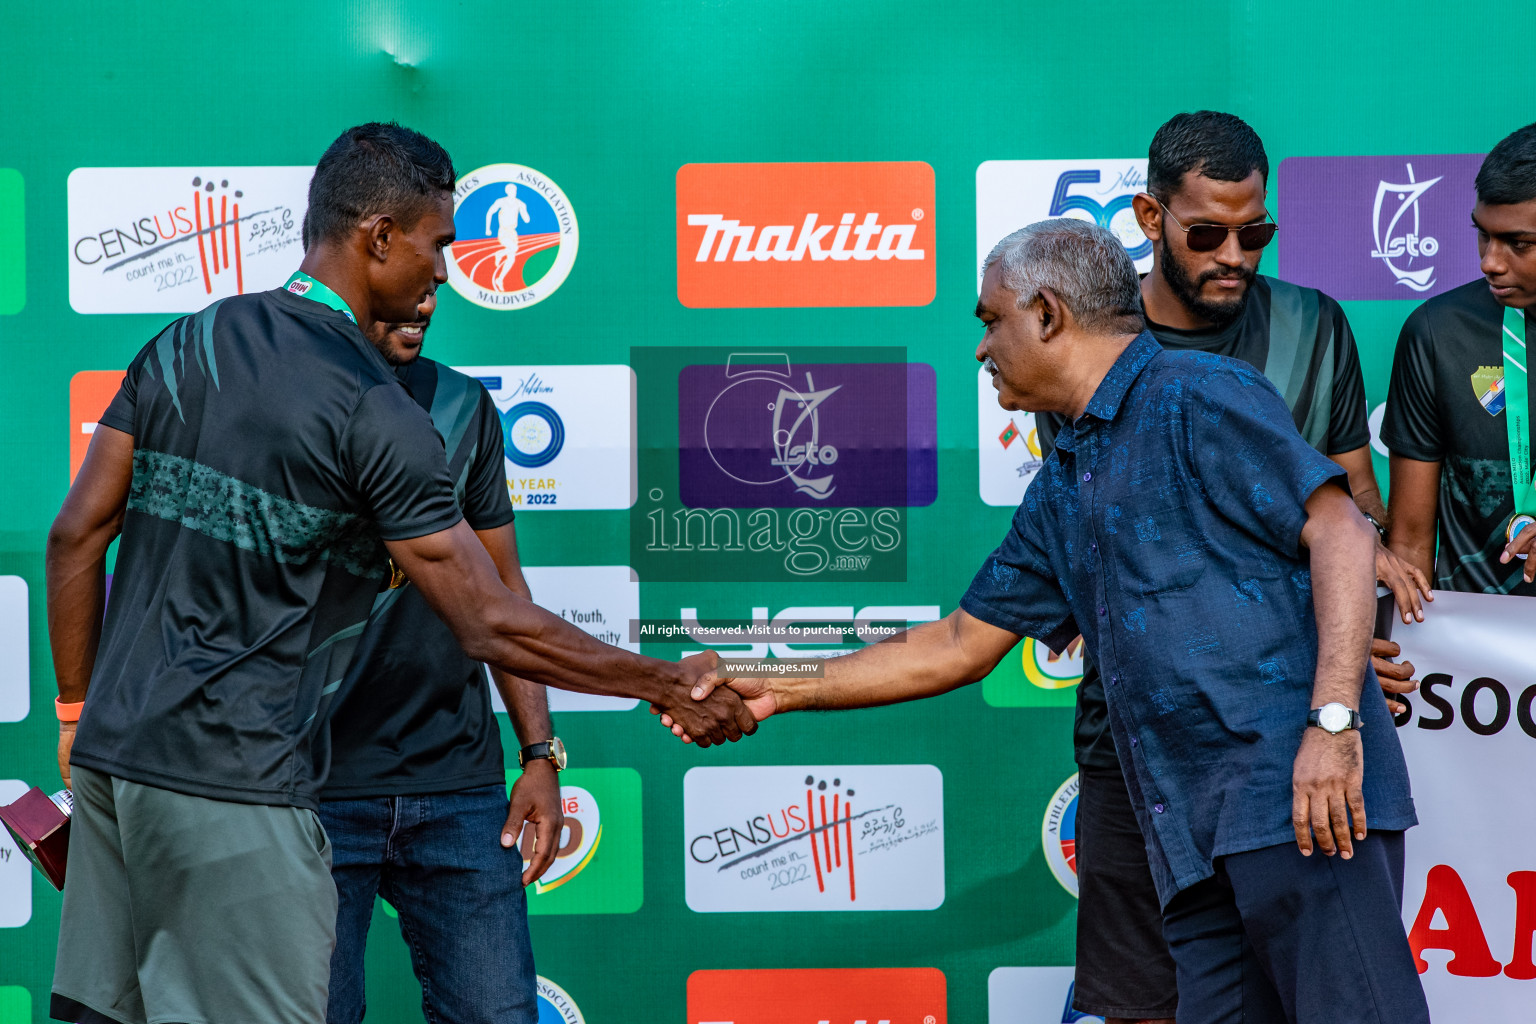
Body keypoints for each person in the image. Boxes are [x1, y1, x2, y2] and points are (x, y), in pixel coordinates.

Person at [45, 122, 752, 1024]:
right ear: (380, 236)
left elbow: (74, 538)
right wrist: (663, 681)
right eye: (440, 243)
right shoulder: (373, 408)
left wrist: (75, 713)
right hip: (238, 789)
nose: (447, 271)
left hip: (115, 770)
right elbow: (489, 621)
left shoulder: (189, 341)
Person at [675, 219, 1430, 1023]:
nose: (979, 347)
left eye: (989, 320)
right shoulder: (1063, 479)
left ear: (1046, 313)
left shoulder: (1198, 391)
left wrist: (1334, 725)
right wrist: (777, 683)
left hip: (1301, 802)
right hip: (1191, 841)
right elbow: (959, 643)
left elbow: (1342, 530)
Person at [1036, 110, 1431, 1024]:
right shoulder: (1086, 339)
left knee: (1321, 998)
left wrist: (1345, 655)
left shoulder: (1312, 323)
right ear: (1148, 217)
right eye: (1206, 232)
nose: (1234, 255)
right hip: (1140, 743)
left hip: (1287, 744)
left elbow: (1352, 510)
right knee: (1149, 1002)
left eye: (1255, 233)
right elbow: (1111, 550)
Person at [319, 301, 557, 1024]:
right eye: (416, 271)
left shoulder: (462, 404)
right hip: (312, 788)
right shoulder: (288, 403)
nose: (428, 297)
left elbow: (503, 588)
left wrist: (540, 753)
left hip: (457, 788)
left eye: (437, 276)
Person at [1385, 121, 1536, 594]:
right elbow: (1409, 541)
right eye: (1483, 235)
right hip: (1475, 659)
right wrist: (1406, 647)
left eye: (1519, 243)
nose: (1489, 261)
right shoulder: (1437, 333)